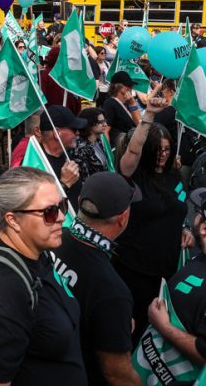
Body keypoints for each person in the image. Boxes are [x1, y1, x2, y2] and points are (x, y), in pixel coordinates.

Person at [0, 167, 86, 385]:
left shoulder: (37, 254)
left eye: (62, 206)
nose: (61, 217)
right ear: (13, 220)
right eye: (49, 211)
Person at [51, 172, 140, 385]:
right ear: (123, 218)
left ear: (80, 201)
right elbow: (117, 374)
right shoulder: (112, 291)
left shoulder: (52, 238)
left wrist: (113, 322)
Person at [115, 92, 189, 345]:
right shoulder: (135, 175)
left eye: (167, 149)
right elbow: (133, 150)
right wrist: (147, 115)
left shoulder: (174, 176)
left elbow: (177, 209)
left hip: (166, 271)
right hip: (135, 270)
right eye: (157, 150)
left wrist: (184, 228)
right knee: (134, 330)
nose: (163, 154)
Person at [146, 188, 206, 368]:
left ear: (204, 228)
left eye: (197, 214)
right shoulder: (199, 257)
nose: (193, 218)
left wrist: (164, 327)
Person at [39, 106, 84, 208]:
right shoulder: (36, 161)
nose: (78, 133)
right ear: (57, 133)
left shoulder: (67, 155)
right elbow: (39, 204)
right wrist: (64, 183)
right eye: (74, 129)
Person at [69, 107, 114, 178]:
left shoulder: (99, 141)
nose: (105, 124)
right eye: (101, 122)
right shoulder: (81, 149)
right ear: (90, 124)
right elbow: (85, 177)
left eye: (104, 121)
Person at [102, 71, 141, 147]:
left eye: (131, 85)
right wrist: (108, 153)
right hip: (119, 149)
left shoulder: (128, 102)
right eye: (128, 85)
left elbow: (139, 124)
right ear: (117, 86)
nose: (130, 88)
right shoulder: (110, 103)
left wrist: (132, 104)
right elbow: (105, 131)